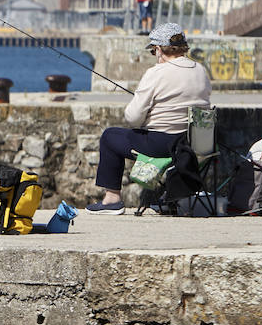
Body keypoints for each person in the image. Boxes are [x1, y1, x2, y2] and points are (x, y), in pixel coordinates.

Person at [88, 23, 211, 214]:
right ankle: (169, 195)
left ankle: (111, 199)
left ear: (159, 49)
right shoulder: (200, 70)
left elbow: (133, 118)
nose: (154, 56)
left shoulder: (156, 73)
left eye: (153, 51)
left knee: (110, 136)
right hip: (195, 144)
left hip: (161, 144)